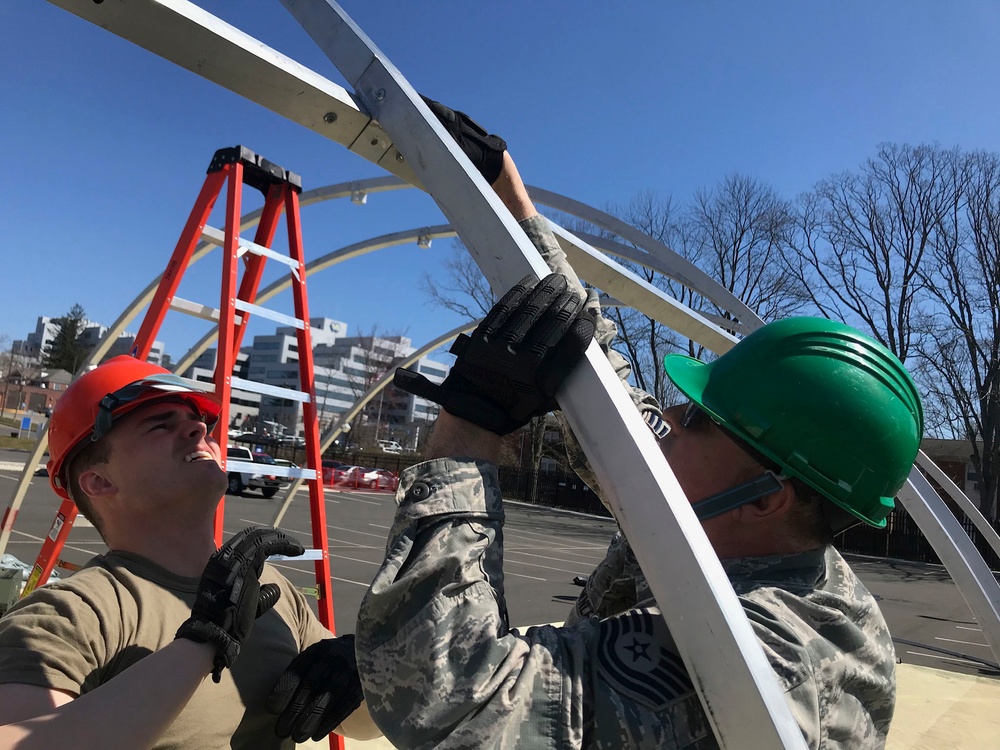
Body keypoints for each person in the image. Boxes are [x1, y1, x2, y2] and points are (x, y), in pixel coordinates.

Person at [353, 101, 923, 748]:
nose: (672, 414)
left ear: (767, 496)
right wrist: (511, 201)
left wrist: (468, 429)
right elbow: (617, 410)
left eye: (701, 418)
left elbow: (451, 699)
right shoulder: (725, 524)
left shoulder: (766, 661)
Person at [0, 356, 370, 749]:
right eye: (160, 424)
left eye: (199, 422)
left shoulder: (269, 590)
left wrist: (360, 672)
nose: (198, 428)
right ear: (99, 481)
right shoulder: (70, 614)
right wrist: (203, 641)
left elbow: (363, 727)